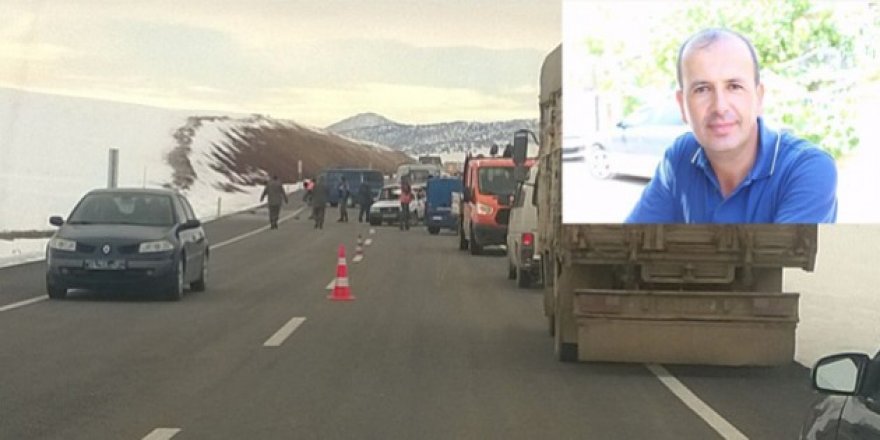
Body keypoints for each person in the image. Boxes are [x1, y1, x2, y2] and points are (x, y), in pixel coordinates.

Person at [625, 28, 837, 224]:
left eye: (734, 87)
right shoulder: (680, 158)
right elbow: (628, 249)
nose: (720, 106)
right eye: (702, 89)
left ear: (759, 98)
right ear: (682, 105)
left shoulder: (806, 169)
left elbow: (782, 265)